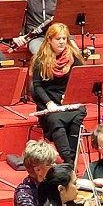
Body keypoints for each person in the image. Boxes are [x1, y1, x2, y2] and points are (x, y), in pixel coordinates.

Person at [31, 23, 89, 164]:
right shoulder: (41, 59)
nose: (62, 41)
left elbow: (81, 79)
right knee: (56, 121)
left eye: (64, 38)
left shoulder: (74, 57)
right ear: (50, 40)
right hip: (49, 103)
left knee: (78, 117)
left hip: (69, 102)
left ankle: (71, 161)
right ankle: (69, 161)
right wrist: (49, 103)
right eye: (58, 39)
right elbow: (37, 86)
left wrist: (72, 96)